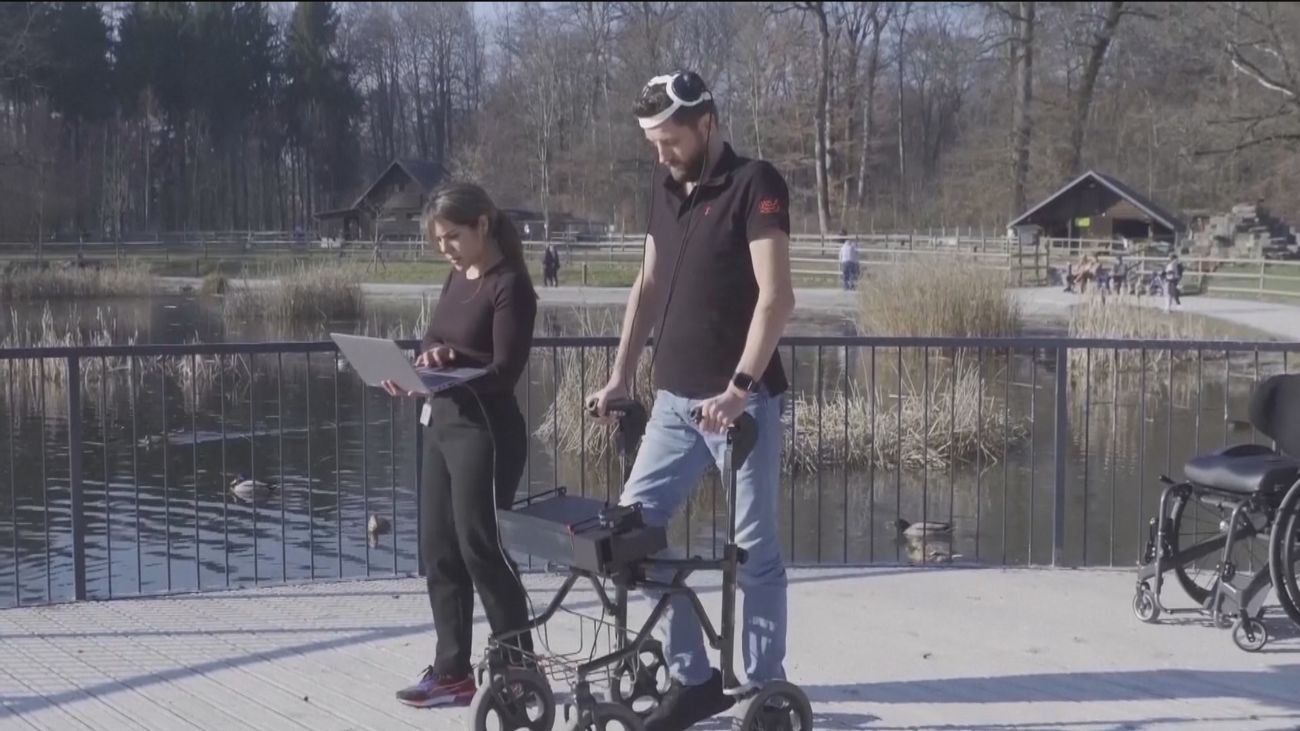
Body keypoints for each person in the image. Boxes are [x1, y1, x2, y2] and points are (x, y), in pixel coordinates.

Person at [586, 69, 796, 730]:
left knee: (753, 548)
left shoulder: (754, 184)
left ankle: (763, 687)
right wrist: (622, 375)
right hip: (674, 403)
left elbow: (777, 297)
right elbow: (646, 286)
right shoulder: (662, 188)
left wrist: (739, 388)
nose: (660, 153)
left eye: (670, 140)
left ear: (706, 124)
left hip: (744, 406)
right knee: (626, 535)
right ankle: (695, 675)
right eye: (652, 142)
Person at [380, 182, 538, 708]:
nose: (444, 247)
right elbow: (433, 339)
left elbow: (504, 370)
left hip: (485, 431)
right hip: (440, 425)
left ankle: (519, 671)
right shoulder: (456, 276)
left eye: (452, 236)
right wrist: (429, 361)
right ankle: (452, 673)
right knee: (439, 551)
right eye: (438, 239)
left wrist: (454, 374)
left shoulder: (510, 285)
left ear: (483, 226)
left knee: (481, 548)